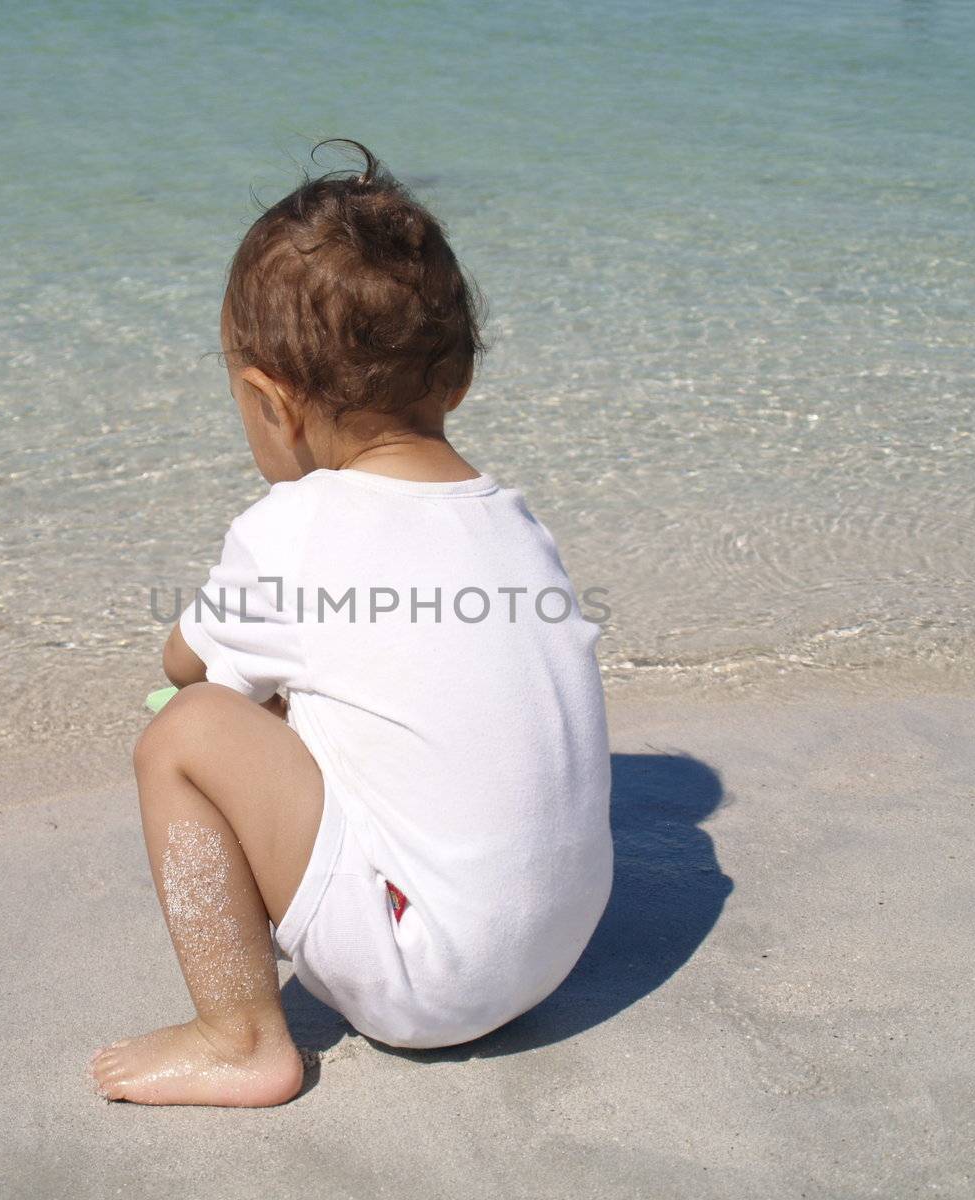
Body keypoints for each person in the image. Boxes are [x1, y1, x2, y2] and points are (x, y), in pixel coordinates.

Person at [91, 141, 612, 1107]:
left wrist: (232, 672)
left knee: (184, 733)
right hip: (561, 948)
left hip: (431, 982)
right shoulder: (512, 521)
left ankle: (240, 1037)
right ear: (455, 380)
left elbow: (185, 663)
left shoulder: (298, 527)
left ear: (270, 404)